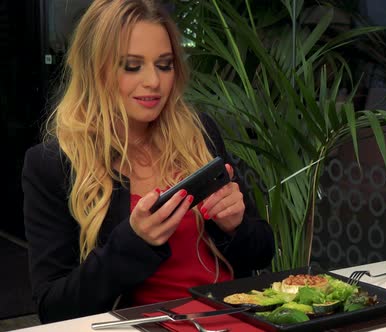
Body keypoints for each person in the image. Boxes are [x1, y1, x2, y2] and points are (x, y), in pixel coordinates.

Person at [21, 0, 274, 324]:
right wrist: (133, 242)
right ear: (95, 69)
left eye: (164, 64)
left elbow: (262, 250)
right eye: (132, 65)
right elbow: (53, 309)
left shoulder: (200, 133)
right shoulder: (52, 165)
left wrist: (235, 226)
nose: (153, 81)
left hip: (233, 321)